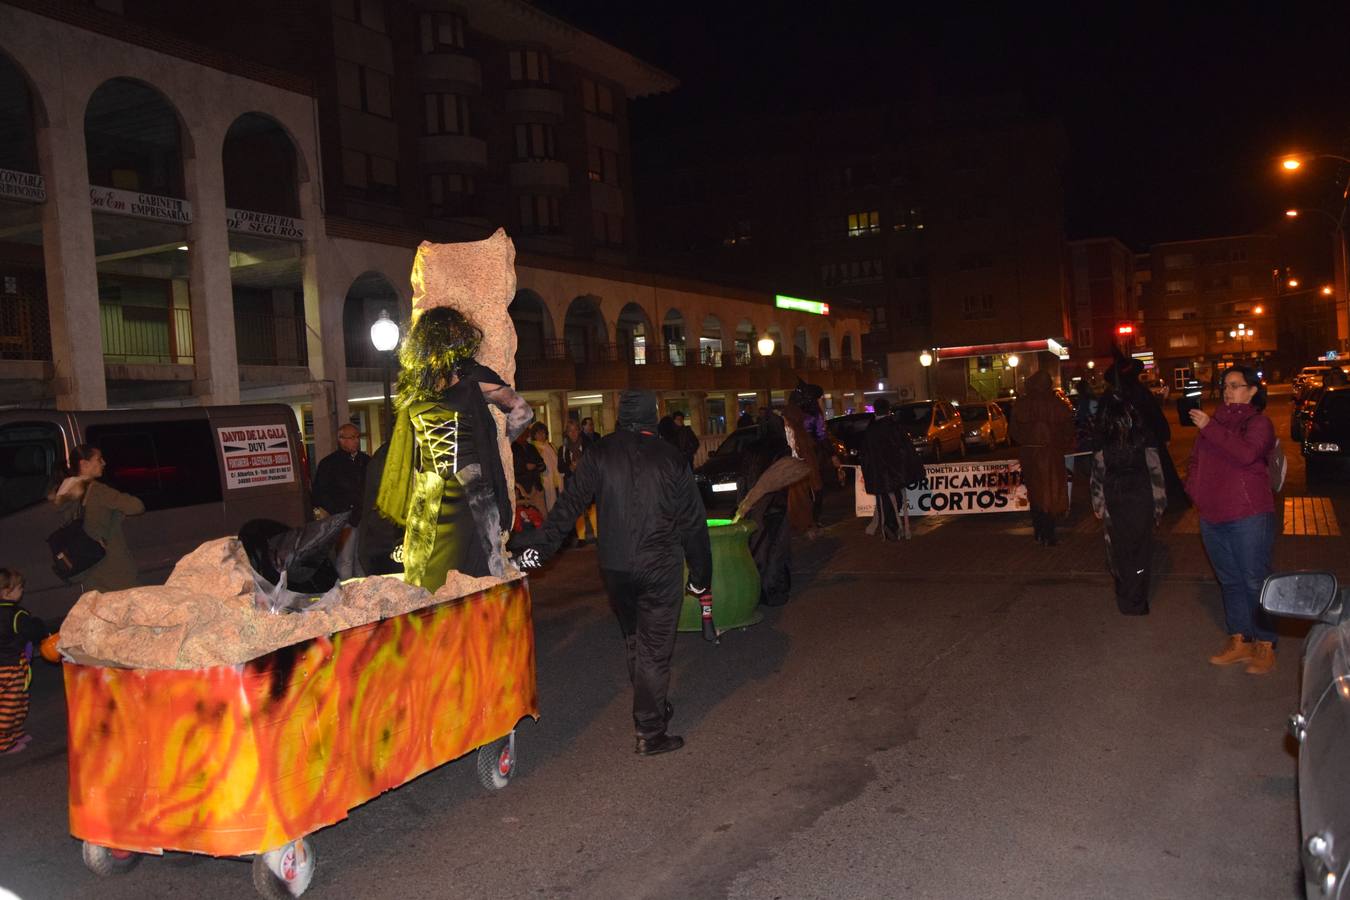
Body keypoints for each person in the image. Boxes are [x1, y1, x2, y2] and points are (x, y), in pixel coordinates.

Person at [509, 390, 712, 756]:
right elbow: (693, 523)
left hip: (616, 567)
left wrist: (534, 553)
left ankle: (653, 703)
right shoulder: (671, 458)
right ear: (652, 416)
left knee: (636, 639)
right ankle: (650, 730)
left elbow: (568, 507)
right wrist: (701, 575)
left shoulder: (599, 453)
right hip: (659, 564)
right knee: (653, 646)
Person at [374, 307, 533, 589]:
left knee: (475, 571)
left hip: (467, 494)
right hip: (428, 496)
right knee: (425, 577)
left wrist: (499, 444)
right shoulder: (415, 381)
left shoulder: (470, 374)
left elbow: (522, 412)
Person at [1185, 364, 1278, 674]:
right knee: (1230, 581)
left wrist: (1210, 427)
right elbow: (1196, 461)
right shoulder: (1215, 423)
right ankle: (1240, 639)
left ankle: (1265, 644)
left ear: (1252, 391)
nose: (1228, 390)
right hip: (1213, 514)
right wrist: (1195, 491)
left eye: (1236, 385)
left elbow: (1246, 454)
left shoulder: (1258, 423)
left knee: (1254, 579)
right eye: (1225, 385)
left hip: (1248, 513)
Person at [1090, 393, 1167, 615]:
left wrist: (1098, 504)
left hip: (1116, 498)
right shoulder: (1144, 438)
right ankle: (1138, 599)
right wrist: (1159, 505)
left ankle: (1127, 597)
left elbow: (1098, 475)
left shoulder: (1103, 441)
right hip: (1140, 497)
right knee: (1141, 549)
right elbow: (1156, 473)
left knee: (1120, 550)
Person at [51, 445, 145, 592]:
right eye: (99, 459)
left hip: (88, 568)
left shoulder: (64, 493)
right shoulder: (98, 491)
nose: (104, 463)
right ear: (84, 464)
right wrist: (117, 512)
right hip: (114, 567)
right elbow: (137, 506)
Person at [1009, 370, 1075, 546]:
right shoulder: (1056, 404)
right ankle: (1049, 533)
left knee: (1035, 492)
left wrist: (1027, 442)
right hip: (1051, 454)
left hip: (1030, 454)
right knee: (1051, 493)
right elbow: (1068, 429)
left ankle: (1039, 530)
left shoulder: (1022, 404)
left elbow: (1014, 431)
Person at [738, 413, 794, 606]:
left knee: (756, 547)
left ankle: (754, 590)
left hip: (753, 504)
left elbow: (742, 478)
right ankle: (771, 590)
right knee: (775, 547)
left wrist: (743, 503)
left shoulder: (750, 448)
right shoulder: (781, 448)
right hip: (774, 505)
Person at [0, 569, 50, 754]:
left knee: (16, 702)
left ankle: (13, 732)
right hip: (11, 666)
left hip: (7, 664)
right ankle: (3, 741)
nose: (22, 591)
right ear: (7, 592)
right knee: (10, 704)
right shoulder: (16, 614)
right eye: (20, 588)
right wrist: (40, 628)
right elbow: (32, 630)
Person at [861, 396, 923, 541]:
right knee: (897, 498)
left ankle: (890, 526)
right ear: (888, 410)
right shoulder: (895, 427)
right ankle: (893, 526)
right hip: (896, 473)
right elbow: (906, 449)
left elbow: (866, 454)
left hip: (880, 474)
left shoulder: (871, 430)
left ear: (875, 411)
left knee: (884, 501)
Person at [312, 423, 369, 577]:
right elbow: (319, 494)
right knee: (345, 558)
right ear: (341, 440)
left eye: (358, 437)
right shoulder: (329, 464)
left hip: (362, 517)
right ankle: (345, 592)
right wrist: (340, 511)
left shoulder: (365, 461)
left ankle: (362, 592)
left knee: (361, 558)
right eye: (352, 438)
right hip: (344, 519)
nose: (356, 441)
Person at [558, 420, 598, 544]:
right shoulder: (563, 448)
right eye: (570, 430)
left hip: (587, 480)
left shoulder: (588, 444)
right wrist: (570, 467)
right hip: (572, 481)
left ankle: (597, 535)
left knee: (591, 508)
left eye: (575, 430)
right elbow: (560, 467)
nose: (573, 433)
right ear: (567, 433)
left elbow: (594, 461)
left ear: (579, 431)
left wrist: (583, 465)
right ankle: (581, 537)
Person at [512, 429, 546, 515]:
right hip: (520, 489)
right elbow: (509, 469)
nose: (525, 435)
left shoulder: (531, 447)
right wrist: (524, 467)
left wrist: (538, 466)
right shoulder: (511, 448)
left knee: (541, 515)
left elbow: (542, 464)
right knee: (523, 517)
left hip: (535, 486)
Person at [530, 422, 560, 513]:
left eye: (543, 433)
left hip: (557, 481)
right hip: (544, 482)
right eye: (538, 433)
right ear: (534, 435)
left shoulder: (551, 445)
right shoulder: (532, 447)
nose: (541, 435)